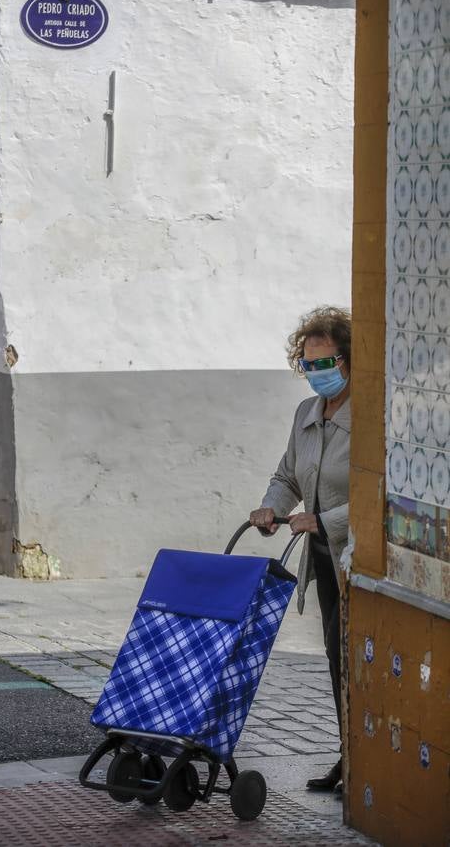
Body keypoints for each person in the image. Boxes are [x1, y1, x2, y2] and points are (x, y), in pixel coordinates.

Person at [249, 306, 351, 792]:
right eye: (308, 366)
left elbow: (383, 491)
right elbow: (289, 474)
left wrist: (325, 519)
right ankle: (348, 758)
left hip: (360, 558)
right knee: (337, 658)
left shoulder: (370, 416)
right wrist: (272, 509)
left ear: (348, 361)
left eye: (325, 364)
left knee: (360, 660)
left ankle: (365, 759)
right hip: (326, 560)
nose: (317, 374)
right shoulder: (307, 414)